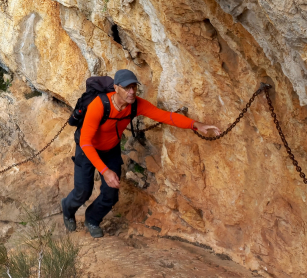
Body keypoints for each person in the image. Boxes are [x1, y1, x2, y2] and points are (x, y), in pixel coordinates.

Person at [61, 69, 220, 238]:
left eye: (134, 87)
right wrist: (105, 171)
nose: (131, 92)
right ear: (116, 88)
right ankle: (67, 209)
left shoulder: (136, 105)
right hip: (87, 150)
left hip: (110, 150)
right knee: (83, 191)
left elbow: (167, 117)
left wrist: (196, 125)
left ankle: (92, 219)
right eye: (127, 87)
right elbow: (85, 142)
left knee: (111, 195)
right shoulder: (99, 105)